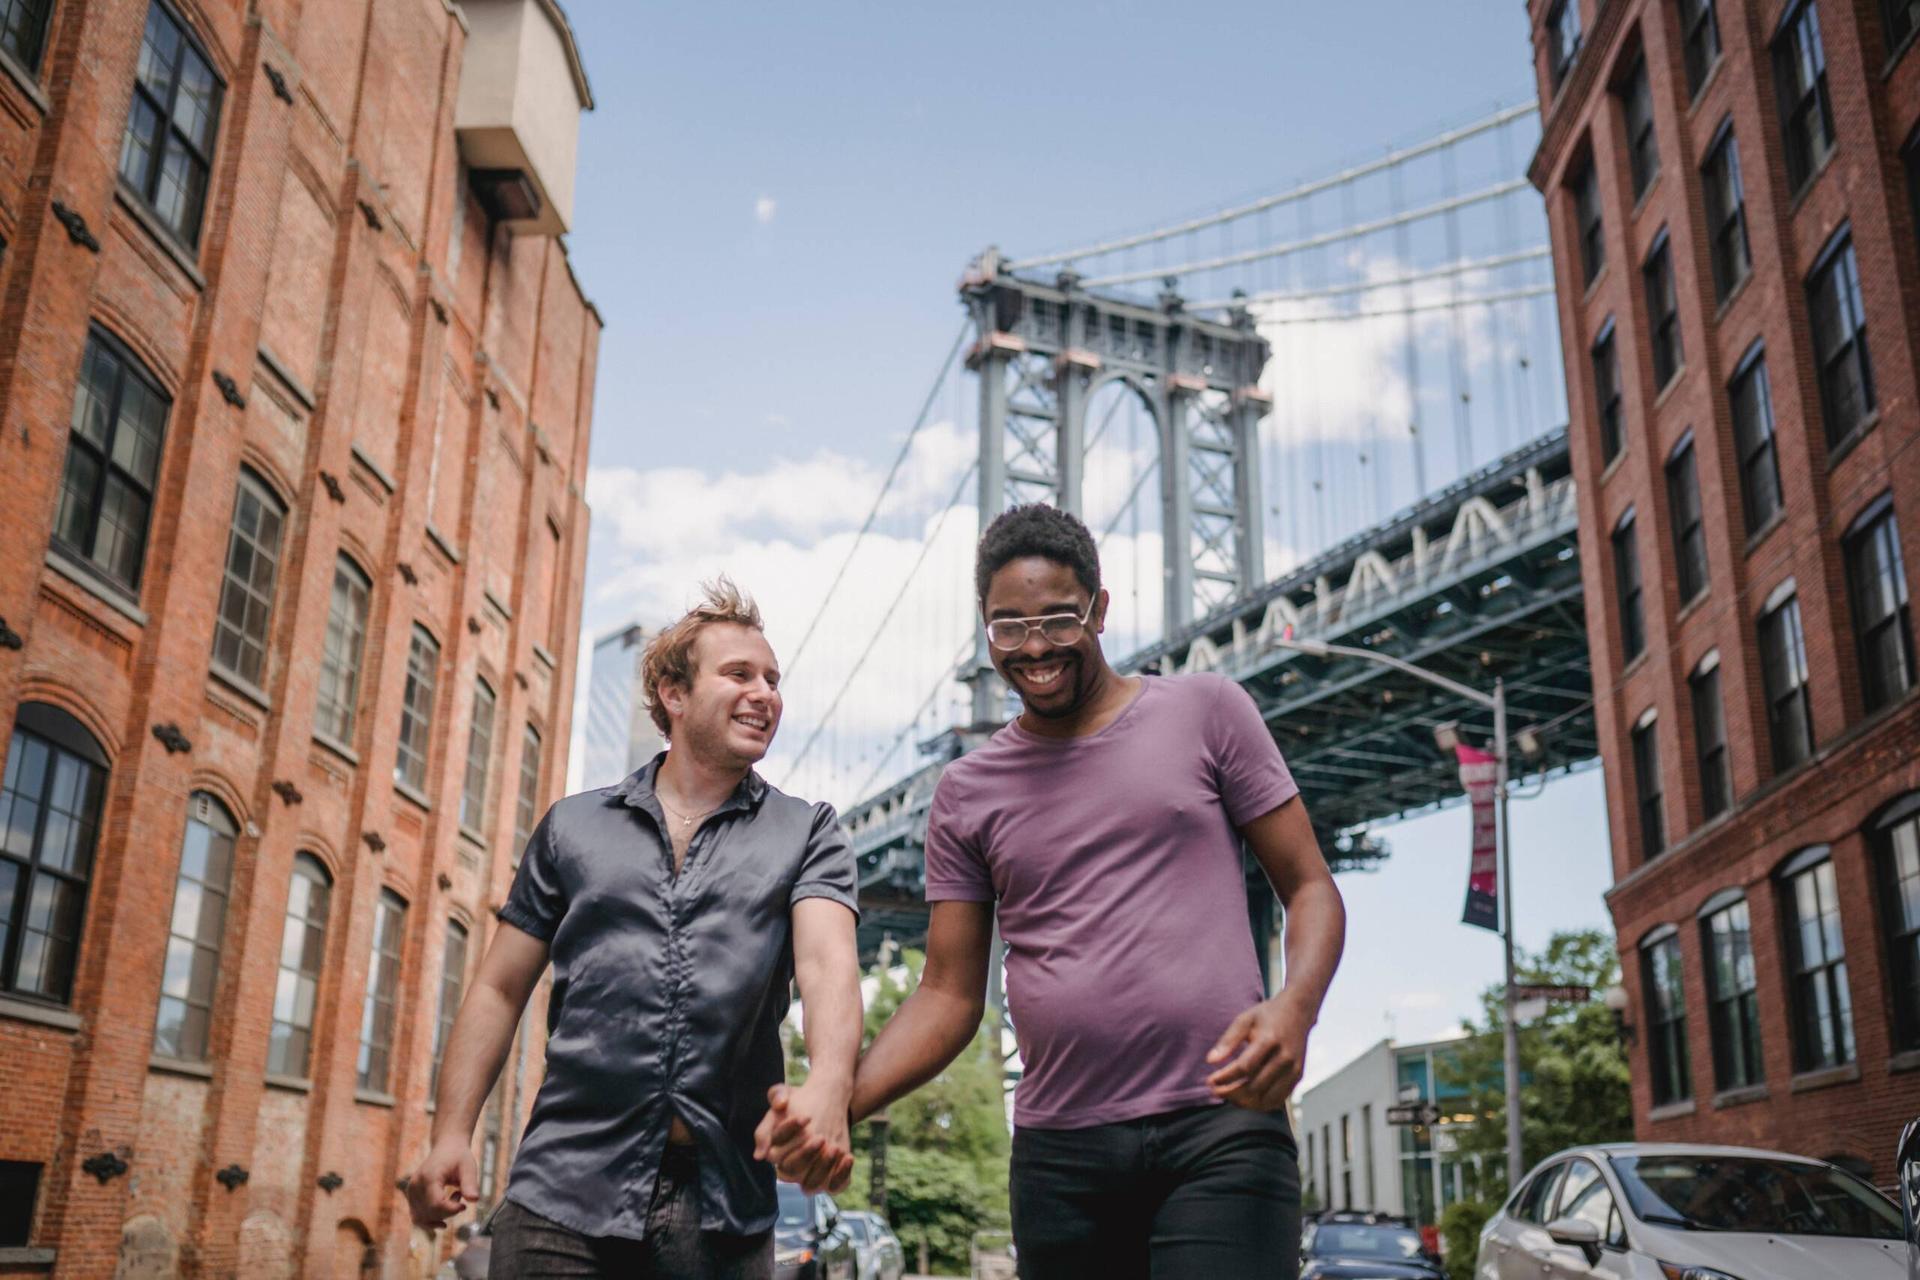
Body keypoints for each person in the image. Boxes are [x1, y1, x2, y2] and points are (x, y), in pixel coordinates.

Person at [758, 504, 1346, 1279]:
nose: (1035, 648)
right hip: (1061, 1156)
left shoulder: (1208, 712)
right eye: (1009, 627)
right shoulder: (966, 791)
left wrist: (1295, 1007)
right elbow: (946, 995)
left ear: (1100, 608)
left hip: (1220, 1125)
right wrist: (836, 1102)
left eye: (1059, 620)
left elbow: (1309, 886)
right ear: (985, 626)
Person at [408, 578, 863, 1279]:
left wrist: (830, 1084)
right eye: (739, 674)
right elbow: (499, 988)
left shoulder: (810, 832)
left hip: (722, 1207)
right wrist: (450, 1133)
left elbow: (830, 964)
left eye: (774, 679)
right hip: (561, 1192)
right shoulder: (572, 826)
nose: (766, 692)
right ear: (674, 696)